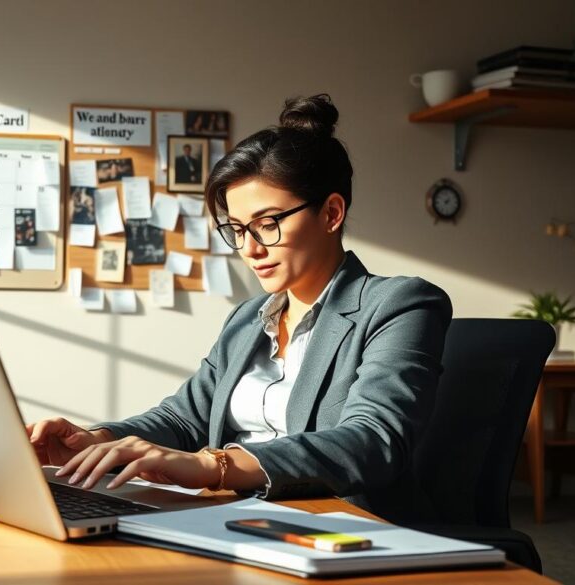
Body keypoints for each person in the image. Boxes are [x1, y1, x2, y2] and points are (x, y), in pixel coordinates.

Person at [27, 94, 452, 523]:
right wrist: (96, 440)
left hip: (345, 525)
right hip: (234, 516)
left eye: (267, 224)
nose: (250, 248)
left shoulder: (399, 304)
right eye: (236, 229)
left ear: (331, 213)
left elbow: (374, 440)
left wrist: (215, 466)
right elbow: (184, 418)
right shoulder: (248, 318)